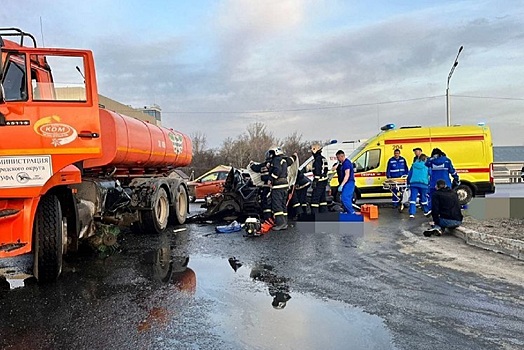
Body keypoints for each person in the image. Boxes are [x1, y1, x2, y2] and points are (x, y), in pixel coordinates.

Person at [267, 146, 289, 230]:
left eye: (272, 153)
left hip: (278, 186)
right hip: (284, 185)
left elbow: (277, 170)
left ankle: (280, 223)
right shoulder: (283, 160)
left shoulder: (276, 160)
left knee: (277, 205)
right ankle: (285, 222)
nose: (271, 155)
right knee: (283, 205)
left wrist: (271, 179)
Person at [249, 151, 273, 221]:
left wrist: (251, 164)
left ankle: (267, 219)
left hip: (266, 186)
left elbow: (255, 168)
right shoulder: (275, 164)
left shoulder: (264, 165)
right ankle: (272, 218)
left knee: (266, 203)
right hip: (274, 187)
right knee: (273, 203)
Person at [407, 154, 431, 218]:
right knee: (423, 198)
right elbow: (430, 174)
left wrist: (408, 183)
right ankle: (426, 211)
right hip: (423, 184)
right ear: (425, 159)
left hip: (414, 183)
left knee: (413, 199)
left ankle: (411, 213)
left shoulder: (414, 165)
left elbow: (410, 175)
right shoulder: (427, 166)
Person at [310, 143, 329, 214]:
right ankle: (324, 215)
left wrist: (315, 181)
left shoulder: (317, 160)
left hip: (319, 181)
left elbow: (317, 171)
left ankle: (314, 216)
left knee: (314, 200)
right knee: (322, 199)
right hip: (324, 181)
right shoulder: (323, 158)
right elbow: (326, 170)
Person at [335, 150, 356, 214]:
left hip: (348, 183)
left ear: (342, 156)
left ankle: (352, 212)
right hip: (346, 183)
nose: (337, 159)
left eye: (338, 157)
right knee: (346, 199)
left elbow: (347, 175)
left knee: (345, 198)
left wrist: (342, 185)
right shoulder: (342, 164)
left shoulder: (346, 163)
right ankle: (347, 212)